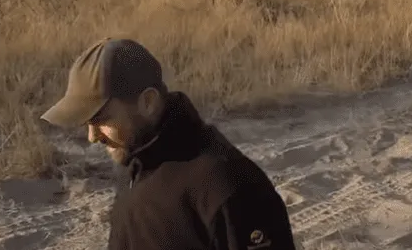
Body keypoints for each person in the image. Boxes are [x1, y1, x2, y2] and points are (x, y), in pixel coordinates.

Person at [40, 37, 298, 250]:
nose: (92, 136)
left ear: (148, 102)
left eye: (102, 119)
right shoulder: (136, 166)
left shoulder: (228, 186)